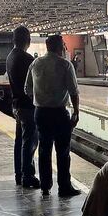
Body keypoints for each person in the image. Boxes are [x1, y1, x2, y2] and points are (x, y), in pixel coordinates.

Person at [25, 34, 82, 198]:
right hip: (59, 113)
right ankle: (64, 187)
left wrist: (40, 99)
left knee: (44, 150)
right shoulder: (65, 65)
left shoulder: (35, 63)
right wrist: (76, 112)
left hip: (41, 113)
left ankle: (45, 187)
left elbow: (27, 89)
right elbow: (74, 92)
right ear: (60, 47)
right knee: (63, 151)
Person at [7, 26, 40, 189]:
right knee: (30, 141)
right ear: (28, 40)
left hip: (17, 104)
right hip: (27, 106)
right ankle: (28, 175)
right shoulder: (26, 58)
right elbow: (35, 83)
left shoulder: (10, 56)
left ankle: (19, 174)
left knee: (20, 140)